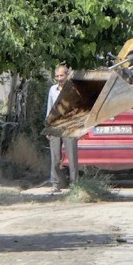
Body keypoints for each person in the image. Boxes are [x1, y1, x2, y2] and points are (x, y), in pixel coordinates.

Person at [46, 65, 79, 193]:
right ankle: (56, 184)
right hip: (55, 124)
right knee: (55, 156)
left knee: (72, 156)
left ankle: (74, 184)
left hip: (69, 125)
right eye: (57, 76)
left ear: (67, 75)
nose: (59, 78)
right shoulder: (52, 90)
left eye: (62, 76)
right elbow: (50, 108)